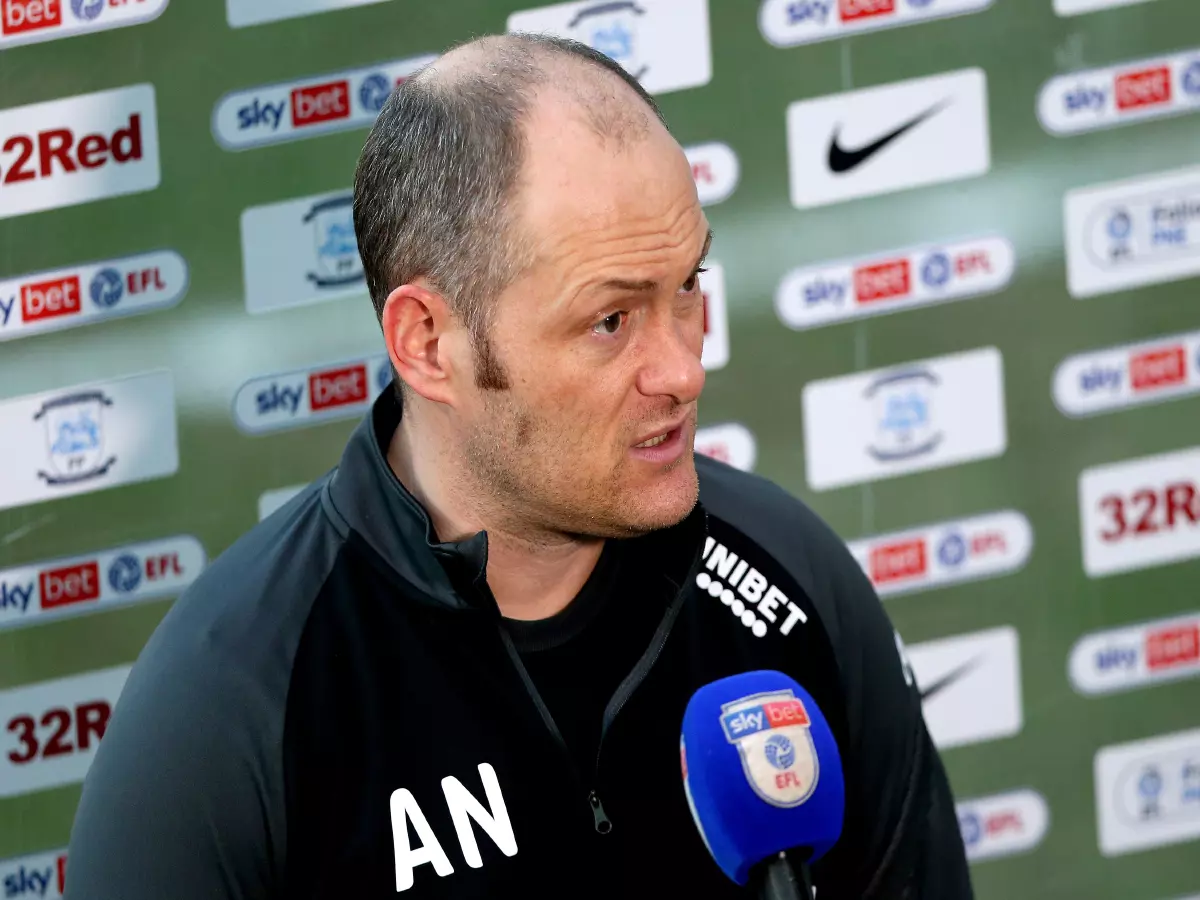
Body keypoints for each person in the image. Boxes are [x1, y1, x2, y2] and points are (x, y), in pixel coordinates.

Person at [65, 33, 974, 899]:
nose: (686, 369)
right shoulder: (233, 713)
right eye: (610, 320)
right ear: (428, 345)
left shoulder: (787, 583)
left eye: (687, 287)